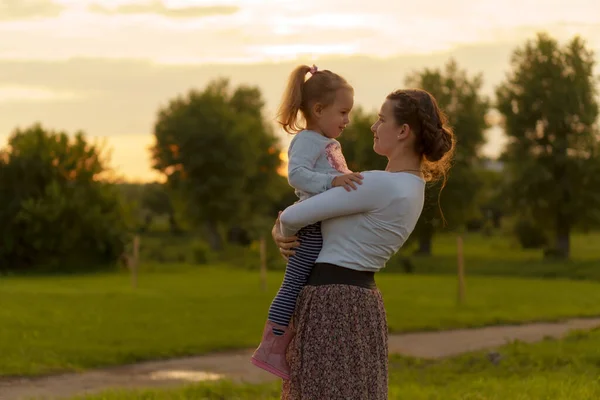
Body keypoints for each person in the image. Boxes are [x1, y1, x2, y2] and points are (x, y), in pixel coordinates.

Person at [272, 88, 455, 399]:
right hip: (363, 302)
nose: (373, 126)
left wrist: (280, 231)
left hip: (331, 302)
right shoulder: (414, 188)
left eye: (381, 120)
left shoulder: (376, 184)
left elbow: (292, 217)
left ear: (402, 131)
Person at [251, 64, 364, 380]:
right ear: (318, 109)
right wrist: (334, 182)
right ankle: (270, 347)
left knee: (305, 283)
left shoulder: (326, 141)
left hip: (321, 222)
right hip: (311, 226)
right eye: (342, 112)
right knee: (294, 282)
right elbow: (297, 175)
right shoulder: (307, 140)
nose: (347, 120)